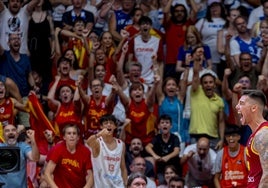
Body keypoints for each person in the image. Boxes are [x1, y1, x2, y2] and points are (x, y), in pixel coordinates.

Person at [190, 45, 225, 150]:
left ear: (214, 84)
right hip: (195, 136)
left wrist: (222, 139)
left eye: (210, 82)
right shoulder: (196, 92)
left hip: (213, 138)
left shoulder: (219, 100)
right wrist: (196, 59)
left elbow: (221, 121)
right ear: (202, 84)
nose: (208, 85)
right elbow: (196, 74)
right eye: (205, 83)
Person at [236, 90, 268, 187]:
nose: (237, 106)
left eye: (241, 103)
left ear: (254, 108)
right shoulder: (255, 134)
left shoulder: (264, 134)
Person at [86, 114, 128, 187]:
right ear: (101, 127)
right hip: (101, 185)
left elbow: (123, 168)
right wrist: (98, 134)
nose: (109, 125)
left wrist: (126, 184)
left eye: (111, 123)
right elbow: (88, 142)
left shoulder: (121, 144)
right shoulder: (97, 142)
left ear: (115, 126)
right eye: (106, 123)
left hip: (118, 184)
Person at [145, 114, 181, 184]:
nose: (165, 125)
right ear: (159, 126)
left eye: (167, 123)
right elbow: (147, 147)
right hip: (161, 170)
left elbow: (177, 151)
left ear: (171, 126)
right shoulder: (156, 138)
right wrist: (155, 156)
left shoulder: (175, 138)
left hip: (174, 168)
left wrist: (167, 157)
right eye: (162, 123)